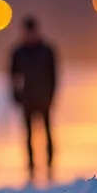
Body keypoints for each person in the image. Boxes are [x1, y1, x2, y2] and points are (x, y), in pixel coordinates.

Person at [9, 16, 57, 181]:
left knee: (47, 133)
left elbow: (54, 76)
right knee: (28, 135)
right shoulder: (18, 51)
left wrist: (51, 96)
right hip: (27, 99)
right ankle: (31, 168)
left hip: (44, 98)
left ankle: (50, 166)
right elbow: (13, 75)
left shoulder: (47, 50)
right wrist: (15, 94)